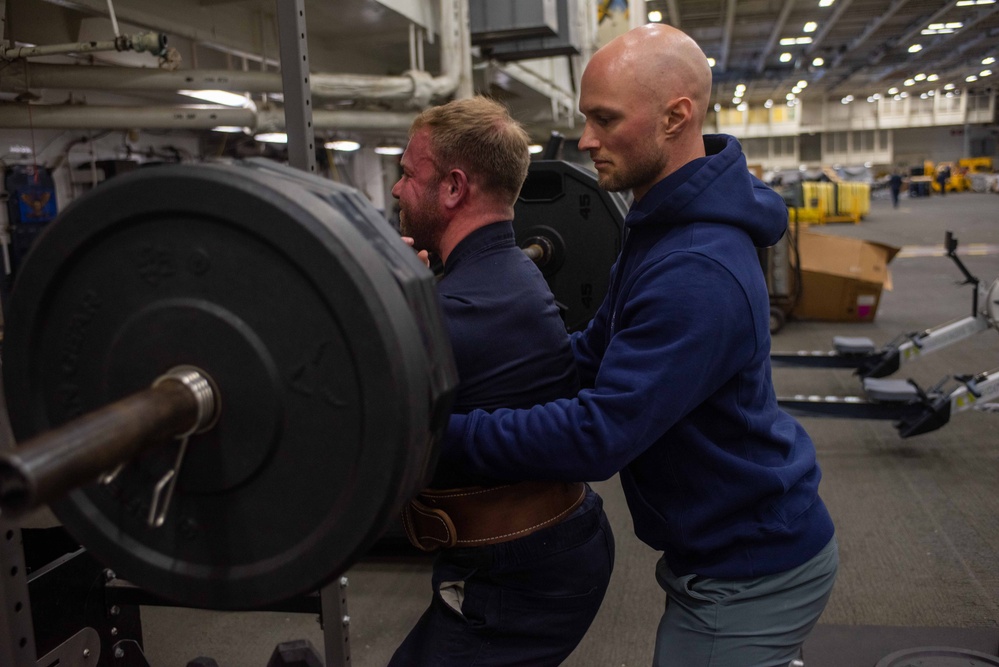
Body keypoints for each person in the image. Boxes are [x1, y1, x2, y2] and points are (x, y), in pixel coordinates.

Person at [438, 24, 838, 667]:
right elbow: (592, 354)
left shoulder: (697, 269)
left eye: (604, 119)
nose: (585, 139)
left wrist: (444, 435)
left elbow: (601, 434)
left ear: (676, 116)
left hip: (750, 568)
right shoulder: (658, 226)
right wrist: (495, 366)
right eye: (585, 119)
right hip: (719, 545)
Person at [388, 96, 615, 667]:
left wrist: (387, 307)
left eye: (408, 174)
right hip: (539, 551)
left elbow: (348, 416)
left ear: (453, 187)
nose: (396, 189)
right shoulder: (510, 268)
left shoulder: (457, 309)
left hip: (522, 578)